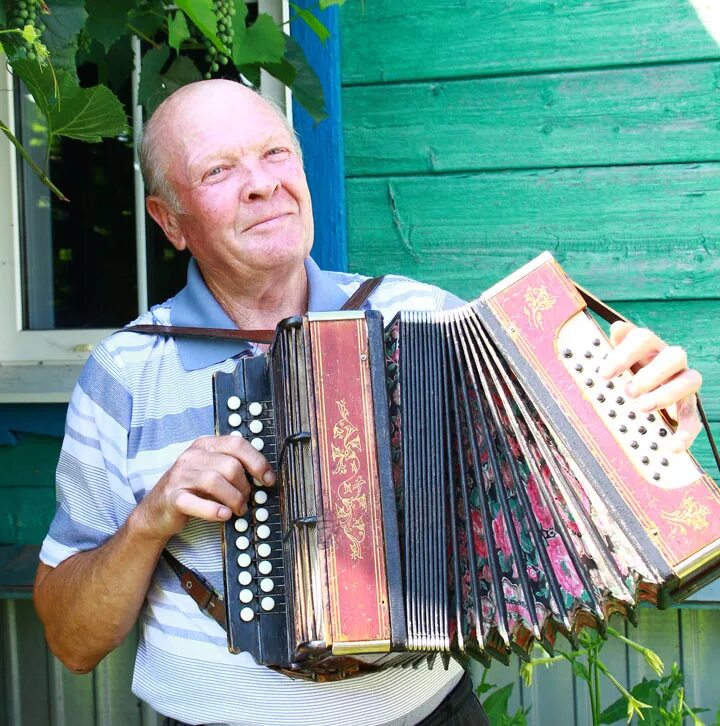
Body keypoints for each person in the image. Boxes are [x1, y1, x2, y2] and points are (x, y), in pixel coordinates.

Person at [32, 79, 703, 726]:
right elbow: (72, 641)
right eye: (218, 171)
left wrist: (647, 422)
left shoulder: (426, 319)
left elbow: (560, 473)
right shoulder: (124, 373)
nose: (265, 183)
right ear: (169, 221)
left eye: (275, 152)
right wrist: (150, 521)